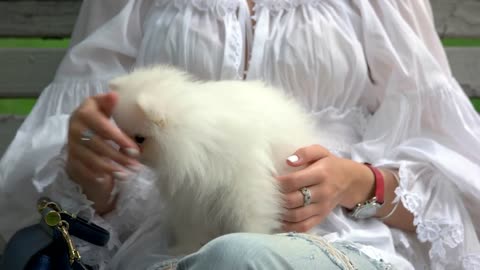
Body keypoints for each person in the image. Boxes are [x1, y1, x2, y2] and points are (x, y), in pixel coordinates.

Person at [1, 0, 479, 269]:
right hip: (168, 241)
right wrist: (93, 166)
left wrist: (358, 183)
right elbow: (90, 150)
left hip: (341, 242)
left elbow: (450, 167)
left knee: (237, 258)